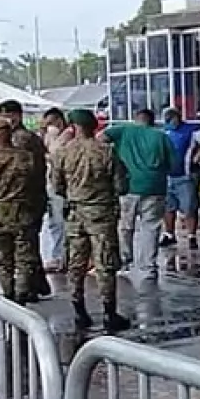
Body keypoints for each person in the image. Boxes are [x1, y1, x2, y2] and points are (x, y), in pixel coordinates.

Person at [51, 109, 131, 332]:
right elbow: (121, 186)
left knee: (76, 263)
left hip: (75, 214)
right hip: (101, 215)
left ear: (73, 127)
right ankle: (109, 313)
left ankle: (79, 311)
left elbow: (57, 187)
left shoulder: (62, 152)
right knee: (105, 263)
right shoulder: (106, 152)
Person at [0, 117, 46, 304]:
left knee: (4, 260)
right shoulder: (27, 158)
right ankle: (22, 294)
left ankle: (8, 293)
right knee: (25, 259)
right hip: (24, 214)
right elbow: (37, 186)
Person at [100, 108, 171, 279]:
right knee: (151, 227)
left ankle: (124, 262)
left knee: (125, 226)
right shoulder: (161, 136)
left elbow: (100, 138)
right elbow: (173, 163)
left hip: (128, 186)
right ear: (153, 121)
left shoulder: (123, 130)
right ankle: (149, 267)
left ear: (135, 119)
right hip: (155, 187)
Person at [0, 100, 51, 298]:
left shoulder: (21, 139)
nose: (6, 120)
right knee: (28, 244)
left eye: (8, 116)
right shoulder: (22, 137)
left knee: (24, 246)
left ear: (18, 116)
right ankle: (37, 283)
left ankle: (29, 287)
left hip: (27, 199)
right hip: (29, 198)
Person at [160, 108, 200, 251]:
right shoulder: (164, 131)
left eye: (170, 119)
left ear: (177, 118)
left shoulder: (192, 130)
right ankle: (169, 234)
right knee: (168, 207)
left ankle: (191, 236)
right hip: (168, 175)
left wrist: (198, 156)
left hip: (186, 175)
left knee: (190, 207)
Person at [40, 108, 71, 273]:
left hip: (62, 186)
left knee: (59, 222)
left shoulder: (67, 135)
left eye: (51, 123)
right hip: (52, 185)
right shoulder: (50, 136)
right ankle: (59, 256)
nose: (49, 127)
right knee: (54, 222)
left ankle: (59, 257)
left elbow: (55, 154)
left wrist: (50, 138)